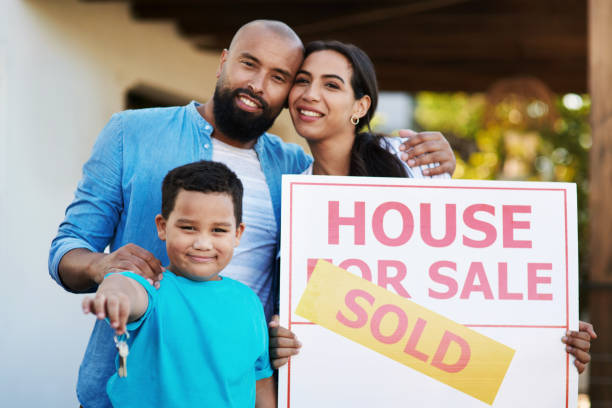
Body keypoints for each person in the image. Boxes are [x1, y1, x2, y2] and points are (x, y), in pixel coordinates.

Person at [49, 20, 456, 408]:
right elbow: (68, 248)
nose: (258, 85)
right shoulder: (131, 133)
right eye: (249, 63)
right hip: (136, 390)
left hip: (239, 393)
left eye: (280, 77)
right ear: (223, 60)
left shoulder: (294, 170)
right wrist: (102, 265)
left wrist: (433, 166)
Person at [268, 39, 597, 372]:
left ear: (360, 106)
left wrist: (550, 335)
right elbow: (302, 311)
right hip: (344, 380)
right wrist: (282, 343)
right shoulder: (293, 194)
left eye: (331, 85)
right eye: (302, 80)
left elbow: (475, 279)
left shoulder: (409, 159)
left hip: (427, 376)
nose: (310, 93)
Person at [82, 161, 275, 407]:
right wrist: (114, 295)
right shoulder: (150, 285)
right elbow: (125, 288)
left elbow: (260, 381)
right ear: (163, 227)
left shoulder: (249, 302)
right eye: (188, 228)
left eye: (218, 230)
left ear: (237, 234)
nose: (203, 243)